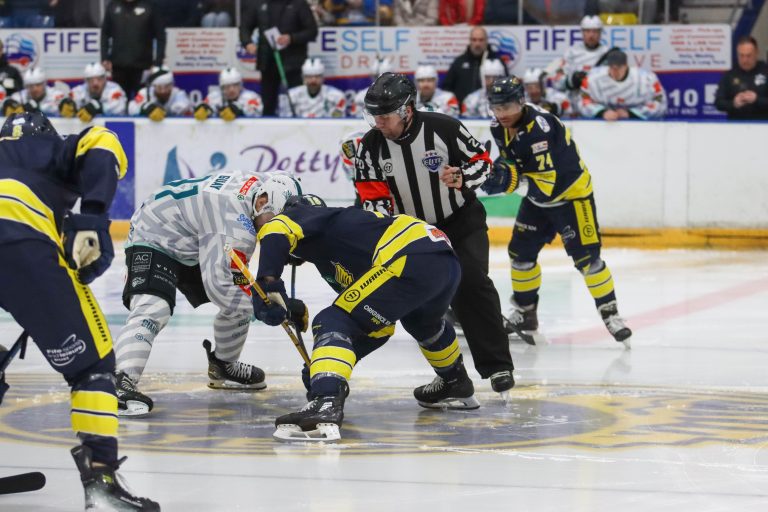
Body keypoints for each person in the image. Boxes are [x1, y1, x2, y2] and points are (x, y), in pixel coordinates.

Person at [0, 111, 159, 510]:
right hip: (19, 241)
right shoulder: (50, 147)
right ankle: (102, 480)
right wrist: (93, 218)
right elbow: (105, 141)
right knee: (93, 367)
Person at [249, 175, 478, 442]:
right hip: (442, 261)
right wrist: (326, 366)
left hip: (409, 254)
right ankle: (455, 382)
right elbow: (375, 326)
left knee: (331, 320)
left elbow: (275, 229)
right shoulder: (341, 247)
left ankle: (326, 403)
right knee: (422, 322)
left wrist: (268, 282)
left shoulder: (299, 213)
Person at [354, 72, 516, 396]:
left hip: (461, 221)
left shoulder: (444, 127)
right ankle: (451, 378)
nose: (378, 122)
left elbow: (483, 163)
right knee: (422, 306)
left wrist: (463, 176)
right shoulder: (369, 148)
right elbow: (372, 199)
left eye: (384, 115)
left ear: (406, 110)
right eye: (374, 116)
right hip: (415, 234)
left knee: (471, 283)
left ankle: (498, 365)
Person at [482, 76, 632, 348]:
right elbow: (515, 165)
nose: (502, 113)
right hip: (536, 197)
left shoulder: (540, 129)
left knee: (588, 260)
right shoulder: (498, 127)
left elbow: (546, 185)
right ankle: (526, 313)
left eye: (507, 107)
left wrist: (507, 181)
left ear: (521, 102)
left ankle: (611, 314)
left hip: (571, 197)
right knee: (520, 256)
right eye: (496, 107)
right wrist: (500, 172)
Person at [114, 170, 266, 417]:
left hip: (194, 237)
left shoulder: (269, 188)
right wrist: (268, 308)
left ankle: (223, 364)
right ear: (262, 203)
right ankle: (119, 380)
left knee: (242, 292)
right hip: (155, 233)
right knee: (154, 308)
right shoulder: (235, 223)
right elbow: (220, 288)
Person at [240, 0, 318, 116]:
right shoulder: (258, 3)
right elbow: (245, 27)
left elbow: (312, 31)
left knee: (296, 103)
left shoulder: (299, 3)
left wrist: (291, 38)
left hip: (293, 63)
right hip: (267, 62)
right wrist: (247, 42)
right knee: (267, 104)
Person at [101, 0, 166, 100]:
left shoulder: (150, 6)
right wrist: (104, 58)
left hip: (143, 66)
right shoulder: (112, 6)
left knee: (143, 101)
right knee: (118, 102)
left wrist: (158, 63)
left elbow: (161, 36)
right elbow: (105, 34)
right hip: (118, 66)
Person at [579, 49, 667, 120]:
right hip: (603, 124)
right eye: (612, 68)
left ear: (626, 66)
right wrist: (602, 112)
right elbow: (582, 100)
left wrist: (631, 113)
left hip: (639, 126)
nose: (615, 71)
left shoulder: (647, 78)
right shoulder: (592, 78)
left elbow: (660, 102)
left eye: (619, 67)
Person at [551, 15, 609, 117]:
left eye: (595, 31)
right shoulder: (571, 52)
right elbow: (556, 82)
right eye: (587, 31)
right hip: (573, 105)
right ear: (582, 32)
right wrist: (571, 80)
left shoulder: (608, 53)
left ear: (600, 33)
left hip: (599, 105)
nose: (591, 35)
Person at [441, 26, 506, 105]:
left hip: (490, 108)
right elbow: (447, 88)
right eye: (474, 40)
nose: (477, 44)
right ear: (470, 41)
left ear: (486, 41)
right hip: (462, 110)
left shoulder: (497, 62)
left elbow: (506, 86)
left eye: (481, 40)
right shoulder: (459, 62)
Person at [714, 36, 768, 120]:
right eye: (741, 55)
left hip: (763, 125)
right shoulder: (729, 74)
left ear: (757, 53)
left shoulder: (766, 71)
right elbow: (718, 103)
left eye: (748, 56)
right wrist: (734, 103)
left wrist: (757, 99)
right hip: (736, 125)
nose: (745, 60)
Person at [279, 57, 346, 118]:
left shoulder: (337, 96)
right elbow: (284, 120)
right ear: (303, 78)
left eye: (317, 76)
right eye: (309, 77)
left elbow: (338, 121)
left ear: (323, 78)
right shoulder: (290, 96)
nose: (313, 80)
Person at [194, 67, 263, 121]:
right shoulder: (213, 97)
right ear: (221, 88)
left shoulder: (251, 97)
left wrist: (238, 111)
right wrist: (204, 109)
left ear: (241, 86)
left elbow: (256, 113)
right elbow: (206, 107)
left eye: (235, 85)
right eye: (227, 86)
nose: (231, 90)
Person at [128, 66, 192, 120]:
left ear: (172, 85)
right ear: (154, 86)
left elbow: (183, 106)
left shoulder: (178, 93)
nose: (163, 91)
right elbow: (132, 108)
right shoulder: (144, 93)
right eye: (159, 88)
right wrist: (146, 108)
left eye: (167, 86)